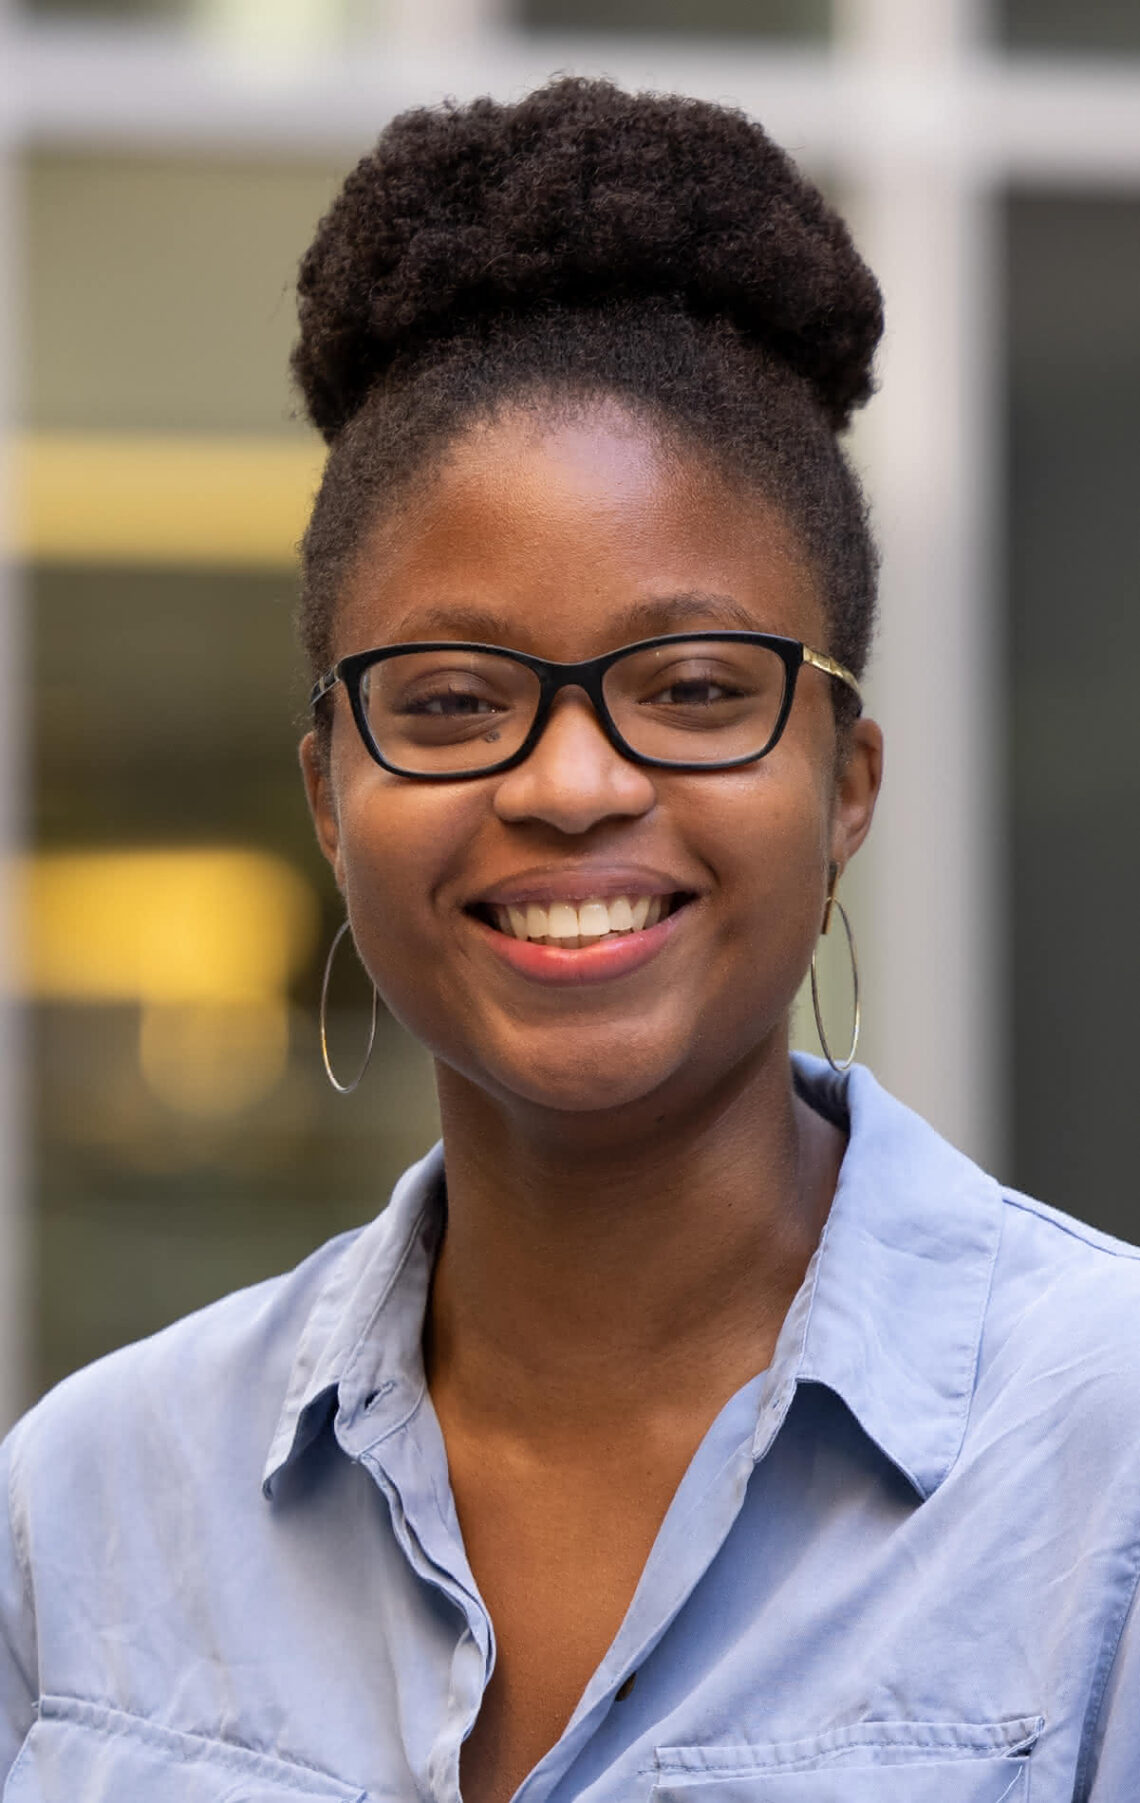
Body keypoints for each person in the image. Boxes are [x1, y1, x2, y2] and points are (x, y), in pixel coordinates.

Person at [0, 76, 1138, 1803]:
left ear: (847, 786)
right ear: (330, 791)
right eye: (453, 701)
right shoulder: (91, 1499)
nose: (574, 780)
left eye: (692, 690)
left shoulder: (1108, 1466)